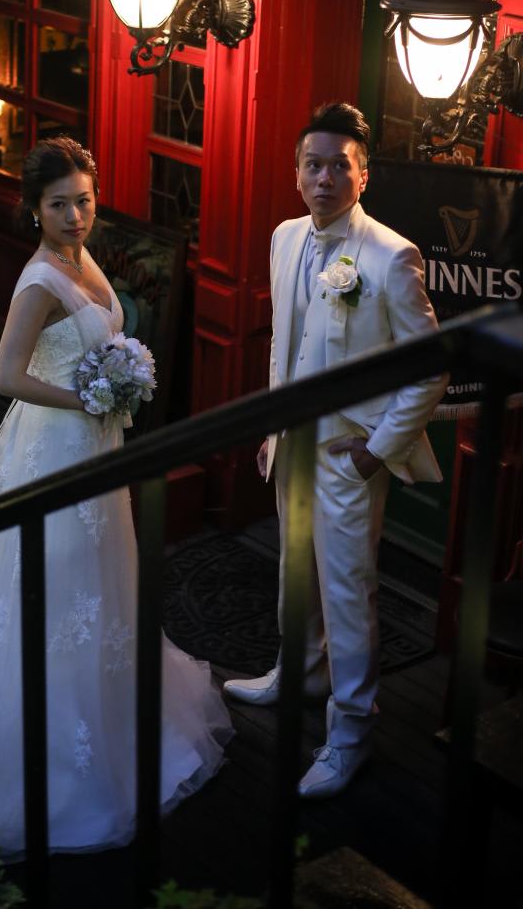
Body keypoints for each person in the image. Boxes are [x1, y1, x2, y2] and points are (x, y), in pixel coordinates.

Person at [0, 137, 232, 861]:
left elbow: (101, 334)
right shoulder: (39, 281)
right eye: (59, 205)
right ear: (34, 210)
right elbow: (6, 376)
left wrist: (117, 377)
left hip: (96, 447)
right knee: (58, 586)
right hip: (55, 450)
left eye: (83, 200)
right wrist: (85, 397)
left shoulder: (83, 258)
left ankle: (114, 712)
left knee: (102, 579)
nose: (75, 215)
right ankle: (56, 756)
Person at [224, 102, 448, 798]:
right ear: (296, 172)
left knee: (348, 589)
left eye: (339, 167)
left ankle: (351, 732)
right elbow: (281, 343)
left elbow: (431, 366)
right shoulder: (285, 237)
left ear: (363, 175)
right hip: (291, 444)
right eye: (313, 165)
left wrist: (378, 449)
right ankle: (299, 670)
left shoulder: (391, 256)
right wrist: (271, 428)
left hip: (349, 455)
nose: (325, 178)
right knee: (295, 569)